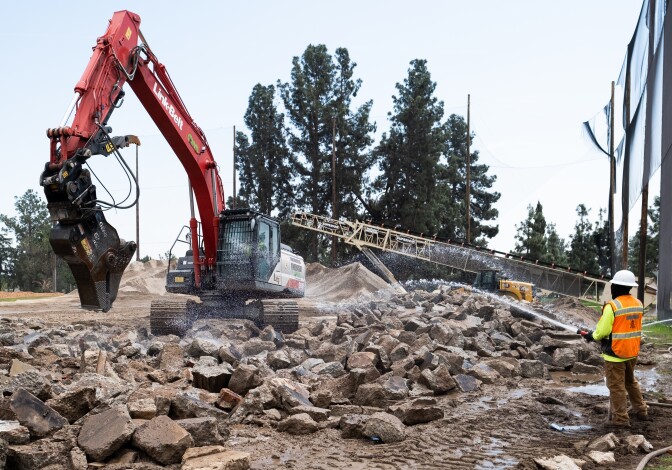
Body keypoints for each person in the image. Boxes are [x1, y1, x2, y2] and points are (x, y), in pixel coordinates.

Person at [578, 269, 649, 428]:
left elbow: (602, 332)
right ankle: (642, 411)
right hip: (632, 352)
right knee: (631, 382)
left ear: (616, 286)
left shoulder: (612, 306)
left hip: (615, 354)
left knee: (616, 387)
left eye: (613, 285)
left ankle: (621, 420)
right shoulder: (638, 304)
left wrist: (592, 336)